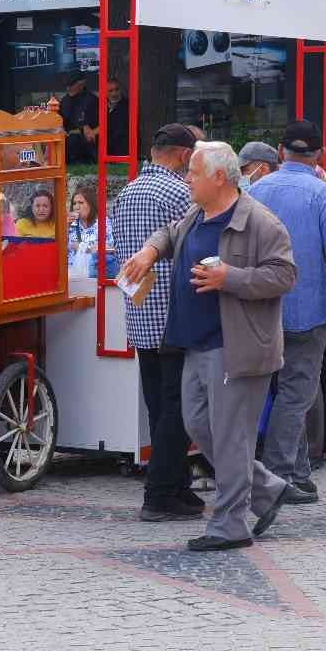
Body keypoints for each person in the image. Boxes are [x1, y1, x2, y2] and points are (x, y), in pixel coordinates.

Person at [118, 142, 298, 551]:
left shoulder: (260, 222)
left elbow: (284, 276)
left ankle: (231, 524)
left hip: (235, 346)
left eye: (194, 174)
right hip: (194, 344)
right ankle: (267, 488)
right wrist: (150, 250)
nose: (187, 180)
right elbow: (171, 232)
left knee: (230, 437)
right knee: (200, 427)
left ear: (219, 177)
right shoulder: (198, 212)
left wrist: (229, 279)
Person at [250, 121, 326, 501]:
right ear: (319, 155)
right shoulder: (322, 194)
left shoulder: (256, 190)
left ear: (280, 151)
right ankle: (280, 476)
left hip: (261, 308)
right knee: (296, 394)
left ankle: (298, 470)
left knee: (276, 392)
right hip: (308, 309)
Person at [108, 124, 202, 520]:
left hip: (140, 312)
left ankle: (177, 485)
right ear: (183, 155)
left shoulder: (126, 193)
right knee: (177, 406)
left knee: (157, 403)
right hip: (175, 314)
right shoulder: (180, 193)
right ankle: (160, 493)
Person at [66, 186, 113, 277]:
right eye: (74, 203)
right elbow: (61, 251)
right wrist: (65, 227)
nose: (77, 207)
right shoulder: (71, 225)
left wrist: (82, 247)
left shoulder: (103, 222)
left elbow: (110, 248)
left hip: (95, 273)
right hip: (72, 274)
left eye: (81, 203)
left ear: (91, 204)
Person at [59, 77, 99, 164]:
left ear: (81, 83)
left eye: (71, 85)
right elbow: (60, 120)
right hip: (67, 140)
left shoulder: (92, 100)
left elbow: (103, 123)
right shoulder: (64, 101)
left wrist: (92, 131)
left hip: (87, 140)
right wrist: (61, 129)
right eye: (67, 86)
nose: (68, 88)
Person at [101, 78, 128, 159]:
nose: (114, 93)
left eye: (116, 90)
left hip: (120, 145)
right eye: (110, 91)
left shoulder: (127, 104)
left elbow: (117, 125)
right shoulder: (100, 105)